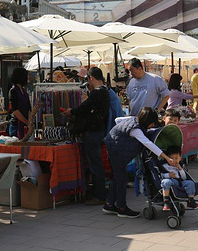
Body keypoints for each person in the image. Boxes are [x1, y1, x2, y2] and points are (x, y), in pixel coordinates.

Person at [103, 107, 176, 218]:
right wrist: (166, 157)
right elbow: (148, 144)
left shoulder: (133, 120)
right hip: (116, 152)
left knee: (117, 178)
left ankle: (109, 204)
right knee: (122, 180)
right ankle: (122, 208)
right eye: (152, 123)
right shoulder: (136, 129)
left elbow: (117, 120)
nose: (152, 125)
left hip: (112, 147)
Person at [63, 66, 110, 206]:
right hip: (99, 130)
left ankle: (99, 195)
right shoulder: (106, 92)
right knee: (96, 163)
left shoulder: (97, 93)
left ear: (91, 78)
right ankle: (98, 192)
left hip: (93, 132)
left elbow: (85, 107)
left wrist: (72, 111)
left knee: (95, 164)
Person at [159, 145, 198, 211]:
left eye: (176, 158)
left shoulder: (180, 166)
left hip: (180, 182)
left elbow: (184, 178)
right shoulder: (165, 166)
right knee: (165, 182)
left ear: (180, 158)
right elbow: (161, 175)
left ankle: (191, 200)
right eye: (171, 158)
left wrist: (180, 169)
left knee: (190, 183)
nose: (174, 161)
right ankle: (166, 201)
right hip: (171, 182)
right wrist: (168, 175)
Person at [8, 67, 31, 139]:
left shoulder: (24, 91)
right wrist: (26, 122)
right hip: (16, 125)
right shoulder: (13, 91)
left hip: (25, 124)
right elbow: (15, 110)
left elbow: (29, 108)